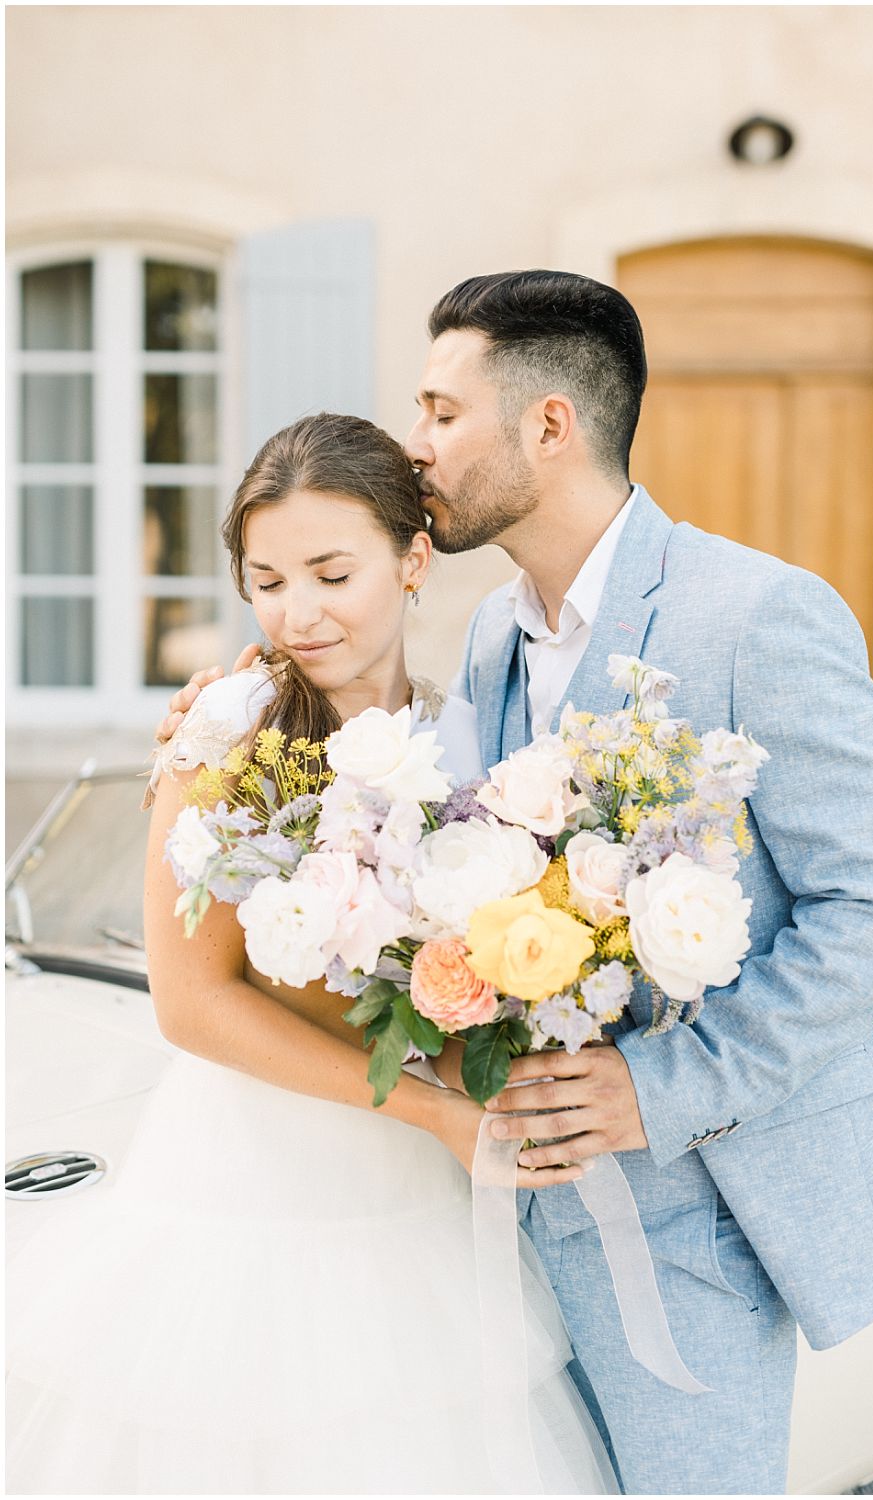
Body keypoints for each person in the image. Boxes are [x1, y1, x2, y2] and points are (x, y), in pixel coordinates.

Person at [159, 269, 873, 1496]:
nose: (413, 448)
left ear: (546, 426)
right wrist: (240, 719)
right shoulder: (486, 639)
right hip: (500, 1221)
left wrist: (657, 1086)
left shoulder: (754, 615)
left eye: (438, 411)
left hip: (701, 1214)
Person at [4, 412, 619, 1497]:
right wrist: (435, 1109)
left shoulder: (471, 738)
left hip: (417, 1201)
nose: (300, 612)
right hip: (253, 1189)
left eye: (333, 572)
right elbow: (190, 1004)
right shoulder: (224, 733)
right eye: (268, 579)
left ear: (413, 559)